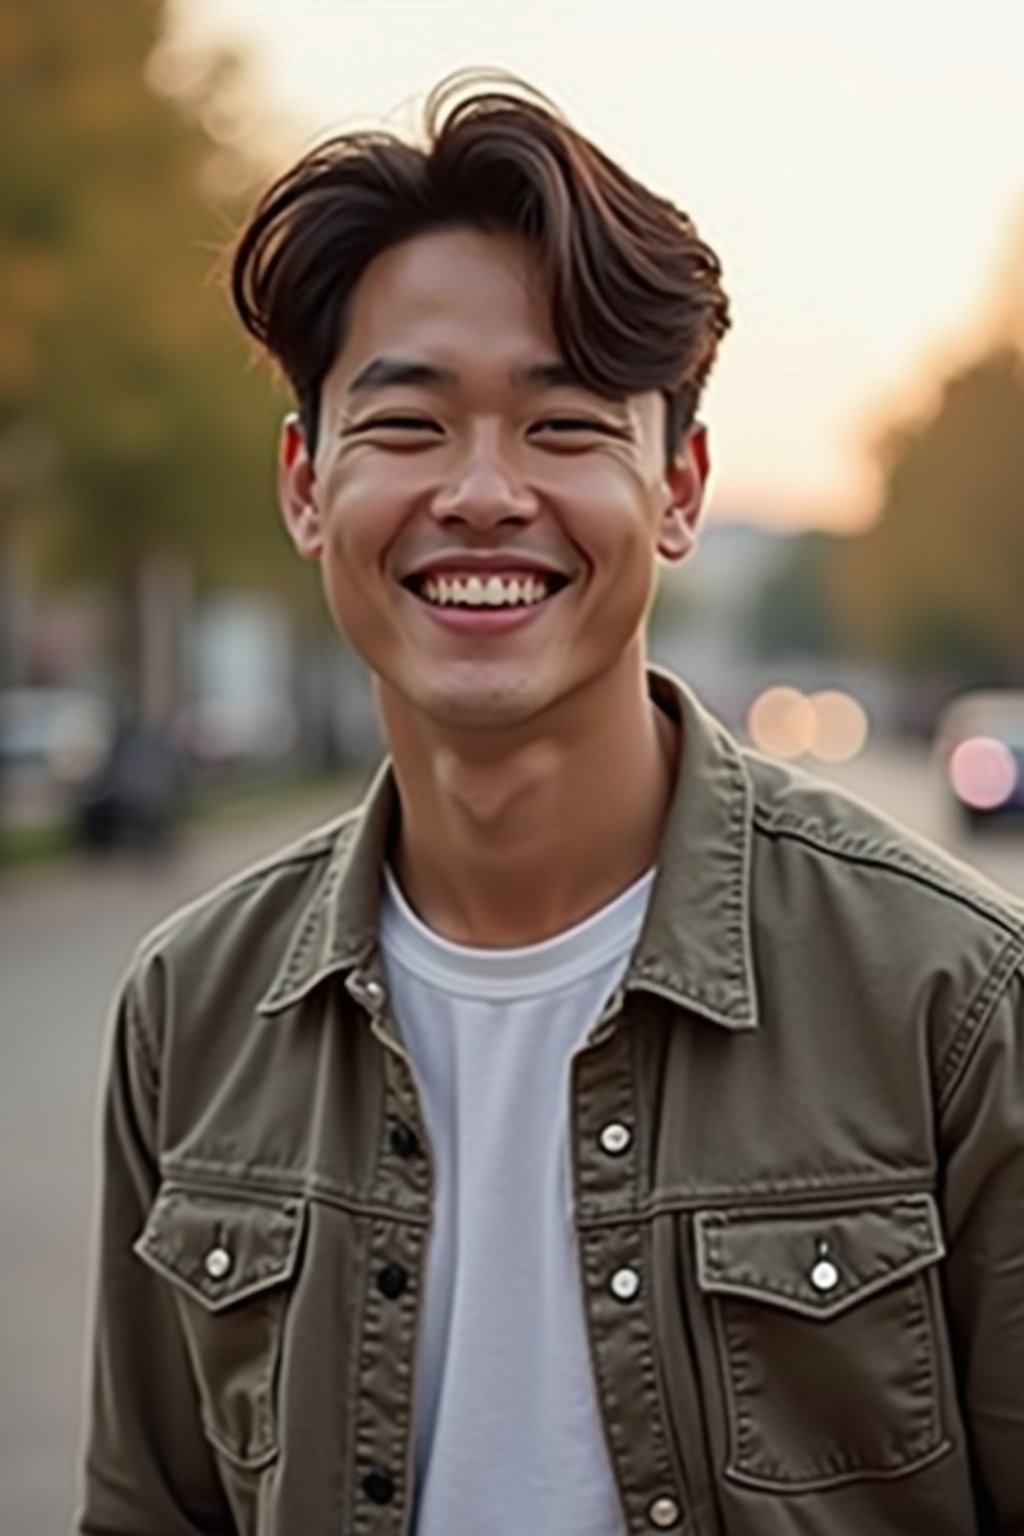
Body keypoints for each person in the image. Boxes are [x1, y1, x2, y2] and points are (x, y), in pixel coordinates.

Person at [77, 71, 1024, 1536]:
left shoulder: (951, 999)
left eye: (566, 424)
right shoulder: (190, 1013)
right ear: (307, 485)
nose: (482, 493)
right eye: (407, 425)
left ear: (680, 487)